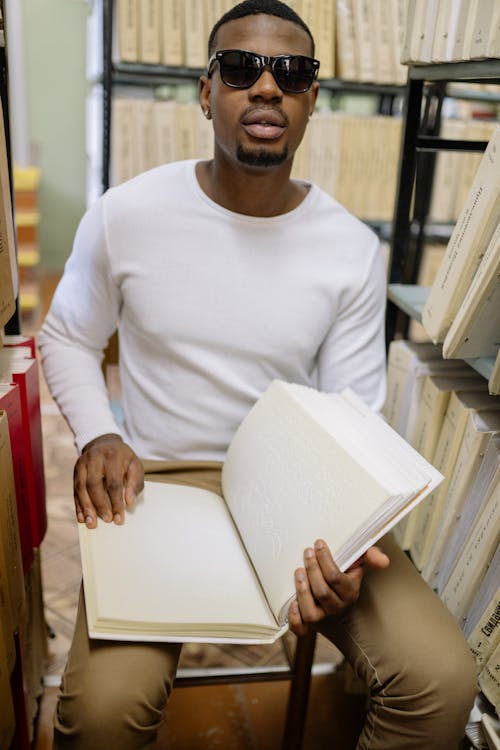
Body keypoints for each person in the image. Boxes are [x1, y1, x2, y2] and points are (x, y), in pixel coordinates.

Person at [38, 1, 477, 748]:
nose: (267, 87)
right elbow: (68, 335)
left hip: (298, 492)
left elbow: (353, 412)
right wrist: (101, 435)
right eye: (241, 68)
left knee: (440, 680)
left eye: (293, 73)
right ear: (207, 93)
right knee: (100, 716)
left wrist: (344, 535)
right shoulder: (127, 214)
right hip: (159, 483)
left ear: (311, 101)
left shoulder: (349, 248)